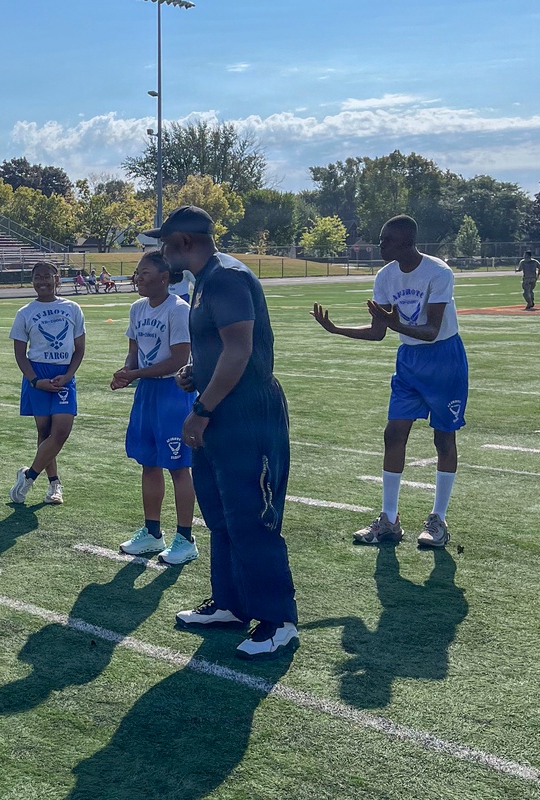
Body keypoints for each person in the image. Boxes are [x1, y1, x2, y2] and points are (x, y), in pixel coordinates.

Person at [145, 205, 298, 660]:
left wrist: (203, 409)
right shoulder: (205, 280)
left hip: (245, 414)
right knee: (222, 515)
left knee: (253, 516)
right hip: (219, 410)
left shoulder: (227, 277)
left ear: (185, 243)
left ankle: (278, 620)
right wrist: (197, 372)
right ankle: (231, 605)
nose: (161, 252)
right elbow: (220, 351)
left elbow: (240, 349)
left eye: (165, 243)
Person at [312, 214, 468, 550]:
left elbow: (431, 332)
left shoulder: (438, 272)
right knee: (393, 433)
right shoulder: (385, 276)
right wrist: (336, 329)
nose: (380, 245)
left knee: (443, 439)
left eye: (387, 240)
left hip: (444, 359)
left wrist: (393, 324)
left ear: (407, 242)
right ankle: (389, 520)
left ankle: (438, 520)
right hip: (409, 361)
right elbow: (378, 331)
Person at [112, 250, 196, 565]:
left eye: (144, 272)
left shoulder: (178, 310)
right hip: (147, 392)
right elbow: (133, 351)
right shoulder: (137, 309)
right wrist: (125, 373)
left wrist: (134, 373)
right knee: (149, 463)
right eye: (137, 272)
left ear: (164, 278)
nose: (138, 277)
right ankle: (152, 532)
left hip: (174, 392)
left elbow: (178, 359)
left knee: (177, 466)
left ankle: (186, 538)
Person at [9, 261, 86, 505]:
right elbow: (20, 353)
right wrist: (35, 381)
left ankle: (28, 476)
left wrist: (69, 375)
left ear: (57, 279)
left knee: (61, 431)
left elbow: (79, 349)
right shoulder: (25, 312)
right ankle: (54, 484)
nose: (42, 281)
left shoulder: (72, 308)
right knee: (44, 432)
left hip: (64, 375)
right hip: (38, 374)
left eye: (47, 276)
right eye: (37, 277)